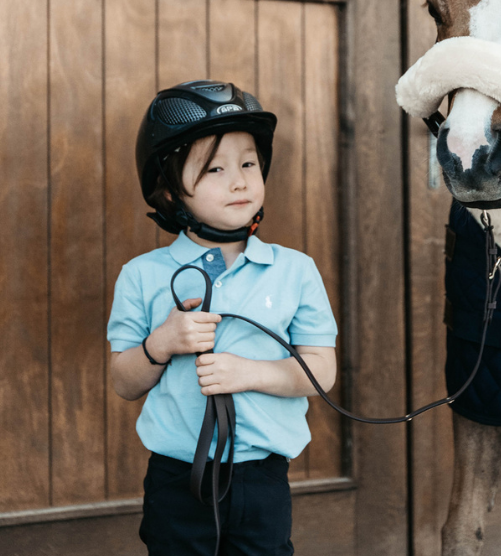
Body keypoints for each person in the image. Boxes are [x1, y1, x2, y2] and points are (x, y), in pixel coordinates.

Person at [107, 80, 338, 556]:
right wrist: (162, 343)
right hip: (177, 477)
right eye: (215, 168)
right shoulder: (141, 276)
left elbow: (322, 370)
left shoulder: (295, 270)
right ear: (170, 192)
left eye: (248, 164)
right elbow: (124, 381)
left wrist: (251, 373)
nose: (239, 181)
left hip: (261, 478)